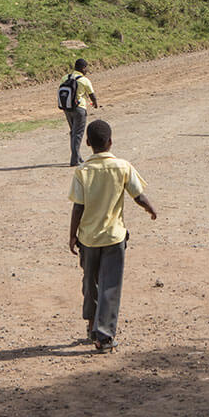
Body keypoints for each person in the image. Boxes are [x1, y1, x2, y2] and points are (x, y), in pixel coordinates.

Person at [68, 120, 157, 350]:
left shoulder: (83, 171)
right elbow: (138, 195)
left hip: (88, 238)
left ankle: (91, 325)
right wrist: (150, 209)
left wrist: (72, 235)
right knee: (110, 285)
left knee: (90, 281)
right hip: (114, 237)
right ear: (110, 142)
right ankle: (104, 335)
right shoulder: (123, 167)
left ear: (87, 143)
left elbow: (78, 206)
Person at [61, 59, 99, 166]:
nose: (87, 70)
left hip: (67, 108)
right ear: (83, 68)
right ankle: (74, 160)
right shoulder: (84, 80)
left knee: (73, 132)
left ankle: (77, 156)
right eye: (86, 68)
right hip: (80, 109)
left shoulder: (65, 78)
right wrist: (95, 103)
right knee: (77, 134)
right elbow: (92, 95)